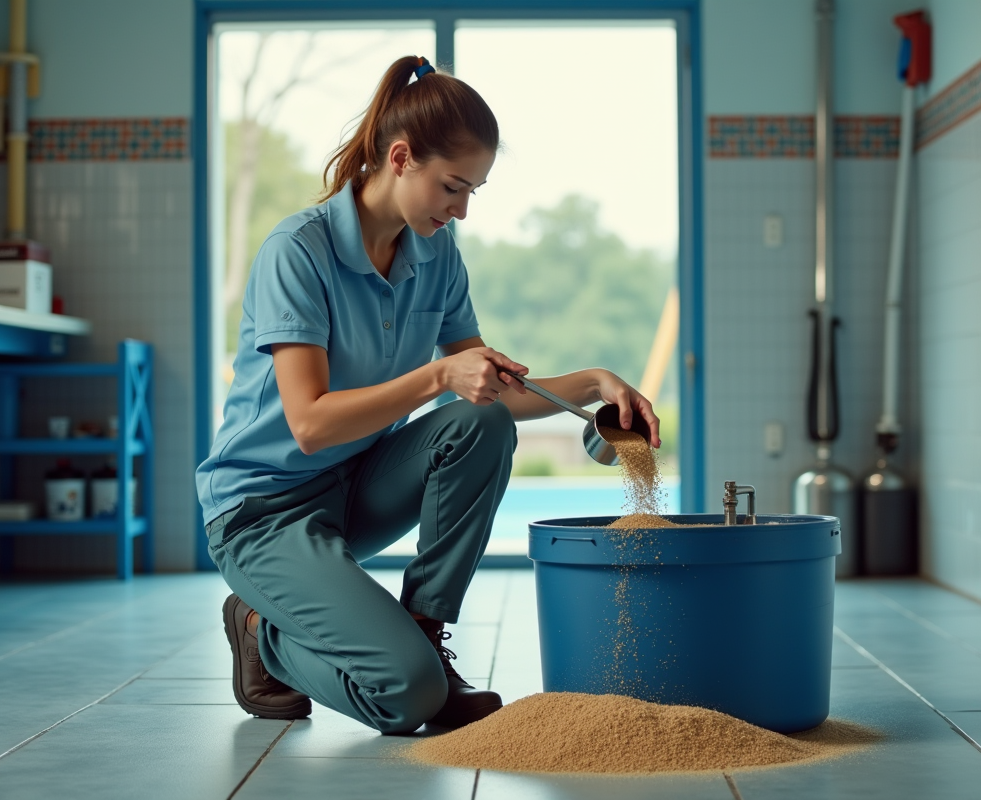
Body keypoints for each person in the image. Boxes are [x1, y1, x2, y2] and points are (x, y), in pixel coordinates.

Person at [196, 55, 661, 734]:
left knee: (482, 426)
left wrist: (596, 383)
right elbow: (310, 426)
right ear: (401, 157)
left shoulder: (434, 253)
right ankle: (262, 633)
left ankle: (425, 630)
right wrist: (438, 376)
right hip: (262, 511)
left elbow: (490, 390)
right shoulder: (298, 251)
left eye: (474, 191)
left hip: (353, 486)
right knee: (407, 699)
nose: (462, 209)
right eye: (452, 186)